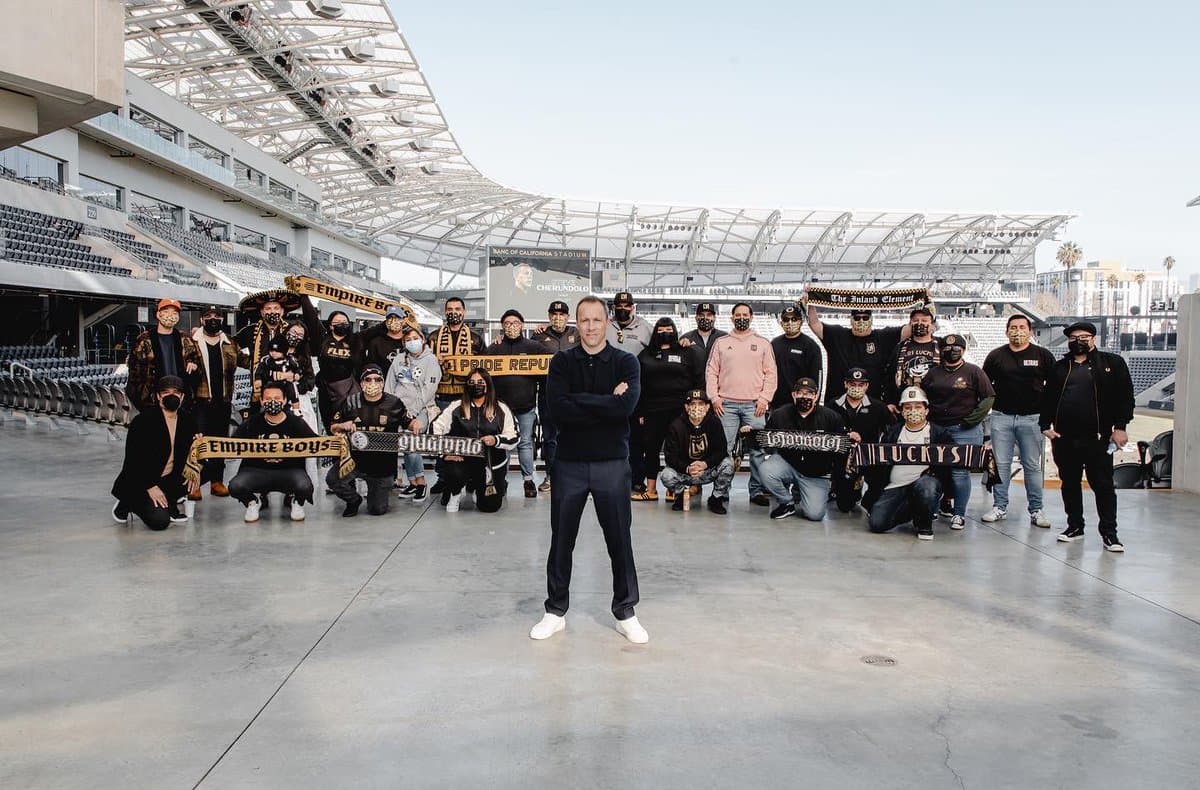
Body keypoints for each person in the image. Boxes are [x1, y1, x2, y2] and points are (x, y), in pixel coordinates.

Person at [530, 295, 646, 644]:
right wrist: (606, 401)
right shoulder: (562, 363)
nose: (591, 327)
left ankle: (626, 611)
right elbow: (558, 409)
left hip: (612, 462)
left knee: (619, 540)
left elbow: (626, 407)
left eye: (597, 320)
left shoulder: (626, 362)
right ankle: (555, 611)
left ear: (607, 322)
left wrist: (586, 400)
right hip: (570, 463)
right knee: (562, 538)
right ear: (576, 324)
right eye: (585, 320)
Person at [1040, 321, 1134, 552]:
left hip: (1098, 437)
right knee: (1069, 484)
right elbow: (1048, 398)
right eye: (1073, 338)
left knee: (1102, 486)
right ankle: (1075, 526)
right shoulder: (1061, 367)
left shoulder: (1112, 364)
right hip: (1064, 437)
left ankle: (1110, 534)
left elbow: (1125, 398)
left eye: (1084, 337)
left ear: (1093, 338)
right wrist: (1045, 425)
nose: (1078, 341)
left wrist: (1120, 427)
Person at [981, 315, 1057, 527]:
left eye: (1022, 327)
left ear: (1030, 331)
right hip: (1002, 417)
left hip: (1032, 418)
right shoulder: (996, 356)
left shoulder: (1042, 355)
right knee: (1001, 465)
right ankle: (1000, 506)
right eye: (1013, 327)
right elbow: (985, 386)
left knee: (1032, 466)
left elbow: (1054, 387)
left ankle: (1036, 510)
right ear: (1006, 331)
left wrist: (1048, 419)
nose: (1017, 331)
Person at [706, 302, 777, 506]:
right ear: (732, 318)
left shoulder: (763, 343)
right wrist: (714, 398)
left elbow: (771, 374)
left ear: (751, 317)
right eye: (737, 315)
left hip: (754, 406)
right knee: (723, 449)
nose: (741, 318)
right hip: (725, 405)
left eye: (745, 314)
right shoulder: (721, 342)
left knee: (757, 451)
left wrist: (764, 399)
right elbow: (711, 372)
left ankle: (756, 491)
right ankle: (722, 491)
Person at [920, 333, 994, 530]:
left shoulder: (973, 371)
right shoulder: (933, 373)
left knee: (960, 473)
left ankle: (959, 513)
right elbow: (923, 396)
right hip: (937, 428)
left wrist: (971, 420)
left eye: (956, 348)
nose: (951, 351)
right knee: (935, 469)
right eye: (946, 348)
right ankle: (934, 507)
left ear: (963, 350)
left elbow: (988, 398)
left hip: (964, 429)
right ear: (940, 350)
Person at [327, 365, 419, 517]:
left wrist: (415, 424)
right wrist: (342, 425)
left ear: (383, 383)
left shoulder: (394, 403)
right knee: (332, 479)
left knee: (377, 510)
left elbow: (408, 421)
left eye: (377, 380)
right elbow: (333, 427)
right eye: (368, 380)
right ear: (361, 383)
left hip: (382, 465)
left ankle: (376, 494)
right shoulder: (350, 402)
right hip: (354, 460)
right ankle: (353, 500)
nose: (372, 383)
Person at [111, 376, 198, 530]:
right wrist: (150, 486)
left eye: (176, 392)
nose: (171, 396)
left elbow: (196, 449)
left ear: (182, 397)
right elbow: (133, 462)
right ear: (158, 396)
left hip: (169, 477)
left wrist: (196, 466)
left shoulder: (188, 420)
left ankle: (170, 502)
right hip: (141, 481)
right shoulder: (142, 421)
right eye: (166, 392)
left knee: (208, 470)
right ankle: (127, 501)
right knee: (160, 522)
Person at [754, 378, 847, 521]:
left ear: (816, 396)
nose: (804, 397)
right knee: (766, 470)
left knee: (814, 515)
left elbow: (841, 449)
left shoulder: (831, 417)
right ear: (793, 395)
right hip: (789, 464)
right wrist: (751, 434)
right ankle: (786, 502)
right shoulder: (780, 415)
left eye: (809, 393)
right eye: (800, 393)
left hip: (816, 473)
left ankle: (807, 495)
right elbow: (766, 441)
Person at [866, 386, 952, 540]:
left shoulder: (939, 433)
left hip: (924, 483)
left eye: (918, 406)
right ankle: (914, 510)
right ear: (902, 410)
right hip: (896, 486)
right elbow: (879, 463)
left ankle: (924, 524)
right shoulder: (892, 432)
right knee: (877, 523)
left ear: (926, 410)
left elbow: (951, 460)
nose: (913, 410)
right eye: (908, 407)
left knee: (927, 487)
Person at [634, 317, 705, 501]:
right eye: (661, 329)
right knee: (651, 449)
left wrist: (695, 406)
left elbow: (698, 377)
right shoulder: (646, 354)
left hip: (679, 410)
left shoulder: (685, 350)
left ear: (674, 330)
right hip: (652, 410)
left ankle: (674, 487)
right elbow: (639, 384)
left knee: (677, 449)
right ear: (655, 331)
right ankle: (651, 490)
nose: (665, 332)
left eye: (668, 328)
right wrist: (640, 411)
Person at [430, 368, 519, 513]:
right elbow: (435, 428)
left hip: (490, 463)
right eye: (471, 382)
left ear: (488, 385)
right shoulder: (456, 406)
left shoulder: (500, 408)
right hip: (461, 460)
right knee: (453, 473)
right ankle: (455, 493)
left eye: (480, 382)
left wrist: (496, 440)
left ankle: (476, 488)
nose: (475, 385)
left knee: (490, 506)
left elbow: (514, 436)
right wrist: (444, 453)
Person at [227, 381, 317, 523]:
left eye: (277, 398)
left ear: (285, 400)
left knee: (305, 486)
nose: (273, 402)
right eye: (268, 399)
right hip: (256, 471)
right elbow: (230, 445)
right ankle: (252, 502)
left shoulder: (296, 422)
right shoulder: (252, 422)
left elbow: (317, 443)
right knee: (235, 485)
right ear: (261, 401)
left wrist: (337, 439)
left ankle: (297, 502)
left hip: (290, 471)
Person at [484, 309, 549, 498]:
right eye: (507, 323)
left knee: (525, 443)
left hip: (526, 406)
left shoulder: (533, 346)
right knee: (502, 444)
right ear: (502, 326)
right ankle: (500, 480)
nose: (511, 326)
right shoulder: (494, 348)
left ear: (522, 325)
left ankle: (528, 480)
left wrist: (543, 333)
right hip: (500, 408)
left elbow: (551, 359)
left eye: (515, 322)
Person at [427, 296, 485, 492]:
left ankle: (468, 477)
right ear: (445, 312)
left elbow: (484, 368)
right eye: (450, 309)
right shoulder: (434, 337)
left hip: (465, 396)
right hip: (441, 395)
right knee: (441, 437)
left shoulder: (476, 338)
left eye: (458, 309)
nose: (454, 312)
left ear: (464, 312)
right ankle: (443, 477)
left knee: (467, 436)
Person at [805, 301, 903, 405]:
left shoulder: (883, 337)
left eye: (865, 318)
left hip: (873, 405)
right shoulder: (837, 335)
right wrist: (810, 302)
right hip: (838, 404)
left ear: (871, 320)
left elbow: (908, 331)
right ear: (851, 320)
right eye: (857, 318)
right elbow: (814, 324)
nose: (861, 321)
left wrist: (920, 299)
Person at [385, 326, 441, 503]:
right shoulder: (399, 360)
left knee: (412, 441)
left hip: (421, 410)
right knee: (405, 445)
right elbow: (390, 386)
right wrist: (391, 409)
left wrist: (412, 414)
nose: (412, 342)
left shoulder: (431, 361)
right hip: (398, 410)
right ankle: (412, 482)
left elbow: (428, 390)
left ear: (422, 339)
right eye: (408, 339)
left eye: (415, 338)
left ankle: (421, 482)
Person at [606, 291, 653, 495]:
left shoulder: (646, 328)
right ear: (613, 307)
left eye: (627, 306)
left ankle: (636, 479)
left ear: (633, 307)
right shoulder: (605, 325)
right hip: (608, 390)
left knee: (636, 438)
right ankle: (608, 478)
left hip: (635, 390)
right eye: (619, 306)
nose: (623, 309)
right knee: (609, 435)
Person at [299, 296, 370, 430]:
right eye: (337, 322)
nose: (342, 324)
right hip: (327, 390)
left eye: (344, 322)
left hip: (350, 388)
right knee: (331, 424)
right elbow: (311, 318)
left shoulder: (356, 340)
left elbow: (376, 330)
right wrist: (304, 297)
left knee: (353, 423)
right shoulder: (322, 339)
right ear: (331, 325)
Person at [188, 306, 238, 499]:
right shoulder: (191, 342)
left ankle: (217, 481)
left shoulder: (230, 343)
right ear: (201, 320)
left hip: (223, 400)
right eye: (208, 316)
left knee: (220, 443)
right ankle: (195, 482)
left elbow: (245, 361)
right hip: (200, 401)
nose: (213, 319)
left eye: (217, 316)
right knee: (199, 443)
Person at [830, 367, 894, 513]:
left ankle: (868, 500)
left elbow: (892, 429)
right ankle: (850, 490)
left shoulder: (878, 407)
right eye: (852, 384)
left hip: (869, 458)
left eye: (860, 385)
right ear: (845, 384)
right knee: (845, 505)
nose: (856, 388)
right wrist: (845, 435)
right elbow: (826, 431)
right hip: (843, 458)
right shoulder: (833, 405)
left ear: (867, 386)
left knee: (880, 479)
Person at [659, 389, 734, 513]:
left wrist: (705, 464)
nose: (696, 408)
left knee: (728, 464)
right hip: (686, 472)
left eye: (700, 404)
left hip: (708, 470)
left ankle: (716, 498)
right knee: (666, 475)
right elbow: (670, 457)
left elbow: (721, 451)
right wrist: (687, 468)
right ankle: (683, 495)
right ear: (686, 407)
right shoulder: (676, 426)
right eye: (693, 404)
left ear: (707, 406)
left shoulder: (714, 423)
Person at [532, 300, 579, 492]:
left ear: (568, 317)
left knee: (574, 436)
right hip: (547, 394)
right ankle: (551, 476)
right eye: (554, 314)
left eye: (561, 315)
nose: (557, 318)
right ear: (549, 316)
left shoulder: (577, 334)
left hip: (573, 395)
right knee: (550, 438)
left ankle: (575, 477)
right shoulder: (539, 336)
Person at [126, 298, 202, 410]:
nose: (170, 316)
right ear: (158, 314)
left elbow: (197, 364)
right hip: (152, 401)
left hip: (180, 400)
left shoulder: (185, 339)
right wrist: (142, 399)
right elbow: (134, 374)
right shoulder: (144, 340)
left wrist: (194, 366)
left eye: (175, 313)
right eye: (166, 311)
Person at [234, 289, 300, 411]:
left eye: (276, 308)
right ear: (262, 312)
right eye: (268, 309)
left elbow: (303, 355)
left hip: (286, 390)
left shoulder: (292, 331)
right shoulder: (250, 330)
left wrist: (295, 373)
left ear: (282, 311)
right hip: (259, 390)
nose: (272, 311)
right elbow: (230, 346)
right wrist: (247, 362)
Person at [769, 305, 823, 409]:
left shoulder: (810, 346)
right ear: (781, 323)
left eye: (794, 319)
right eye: (786, 319)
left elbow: (818, 377)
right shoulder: (774, 343)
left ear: (801, 322)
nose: (790, 322)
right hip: (776, 403)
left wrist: (814, 403)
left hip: (801, 403)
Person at [886, 306, 940, 406]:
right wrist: (890, 402)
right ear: (910, 323)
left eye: (924, 320)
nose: (920, 323)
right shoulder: (900, 347)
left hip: (934, 403)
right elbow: (890, 376)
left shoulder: (941, 345)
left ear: (932, 324)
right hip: (905, 402)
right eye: (915, 320)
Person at [254, 336, 304, 414]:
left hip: (285, 383)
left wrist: (296, 374)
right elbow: (259, 370)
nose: (273, 353)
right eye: (271, 351)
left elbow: (297, 368)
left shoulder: (289, 360)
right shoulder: (266, 360)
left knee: (293, 389)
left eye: (277, 351)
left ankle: (296, 409)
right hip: (270, 384)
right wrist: (258, 379)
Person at [362, 305, 414, 371]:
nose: (393, 321)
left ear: (403, 321)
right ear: (386, 321)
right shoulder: (376, 343)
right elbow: (371, 367)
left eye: (397, 318)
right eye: (390, 318)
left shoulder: (410, 340)